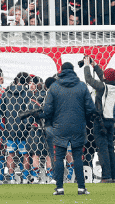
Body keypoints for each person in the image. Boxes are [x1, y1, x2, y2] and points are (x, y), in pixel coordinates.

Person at [40, 61, 97, 195]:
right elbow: (91, 108)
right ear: (73, 71)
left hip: (60, 127)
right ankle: (81, 188)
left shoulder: (54, 87)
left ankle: (59, 188)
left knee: (59, 157)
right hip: (78, 126)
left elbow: (47, 110)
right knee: (78, 157)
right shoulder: (82, 86)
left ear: (61, 71)